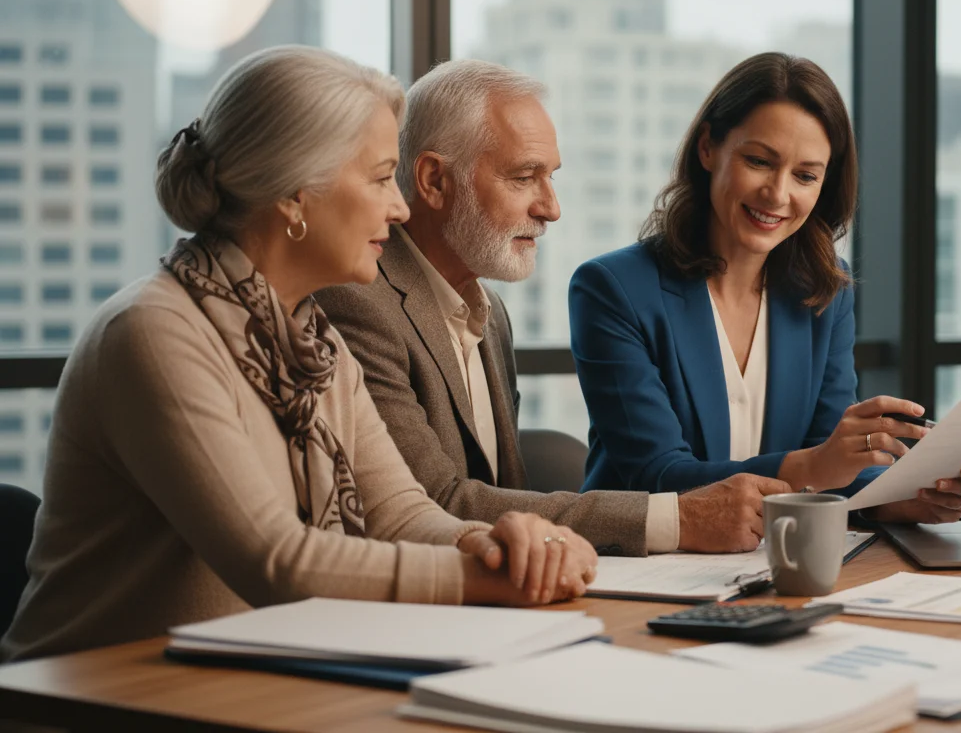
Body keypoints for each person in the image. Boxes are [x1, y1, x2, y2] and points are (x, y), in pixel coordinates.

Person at [1, 47, 595, 663]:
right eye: (378, 177)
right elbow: (277, 560)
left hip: (241, 684)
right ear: (293, 195)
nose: (398, 206)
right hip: (87, 701)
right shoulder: (153, 332)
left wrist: (511, 547)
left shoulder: (313, 342)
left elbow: (398, 515)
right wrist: (484, 577)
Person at [318, 59, 788, 557]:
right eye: (524, 178)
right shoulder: (358, 305)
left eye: (551, 178)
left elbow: (504, 503)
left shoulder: (490, 313)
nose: (551, 207)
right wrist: (678, 518)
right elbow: (431, 507)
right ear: (434, 180)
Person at [569, 52, 961, 522]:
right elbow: (656, 475)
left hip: (779, 561)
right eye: (760, 161)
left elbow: (835, 470)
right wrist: (814, 465)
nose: (778, 194)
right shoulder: (613, 289)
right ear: (708, 148)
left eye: (805, 175)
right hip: (642, 570)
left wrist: (907, 496)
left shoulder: (825, 294)